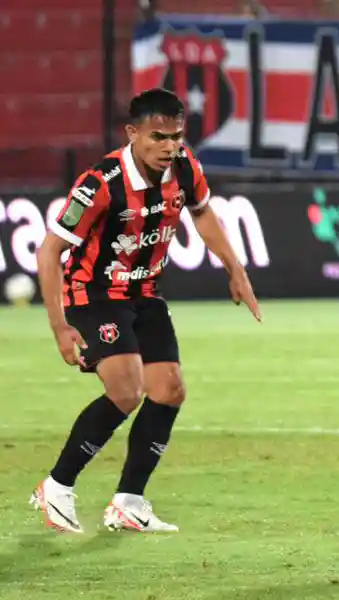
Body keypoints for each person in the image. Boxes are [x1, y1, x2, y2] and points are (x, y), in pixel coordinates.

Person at [31, 88, 261, 534]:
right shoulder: (101, 183)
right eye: (158, 136)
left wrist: (236, 269)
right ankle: (57, 486)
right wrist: (59, 326)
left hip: (145, 292)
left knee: (169, 389)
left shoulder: (184, 166)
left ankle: (129, 502)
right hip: (94, 294)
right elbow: (49, 251)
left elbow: (204, 212)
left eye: (176, 135)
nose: (169, 146)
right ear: (132, 133)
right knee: (126, 389)